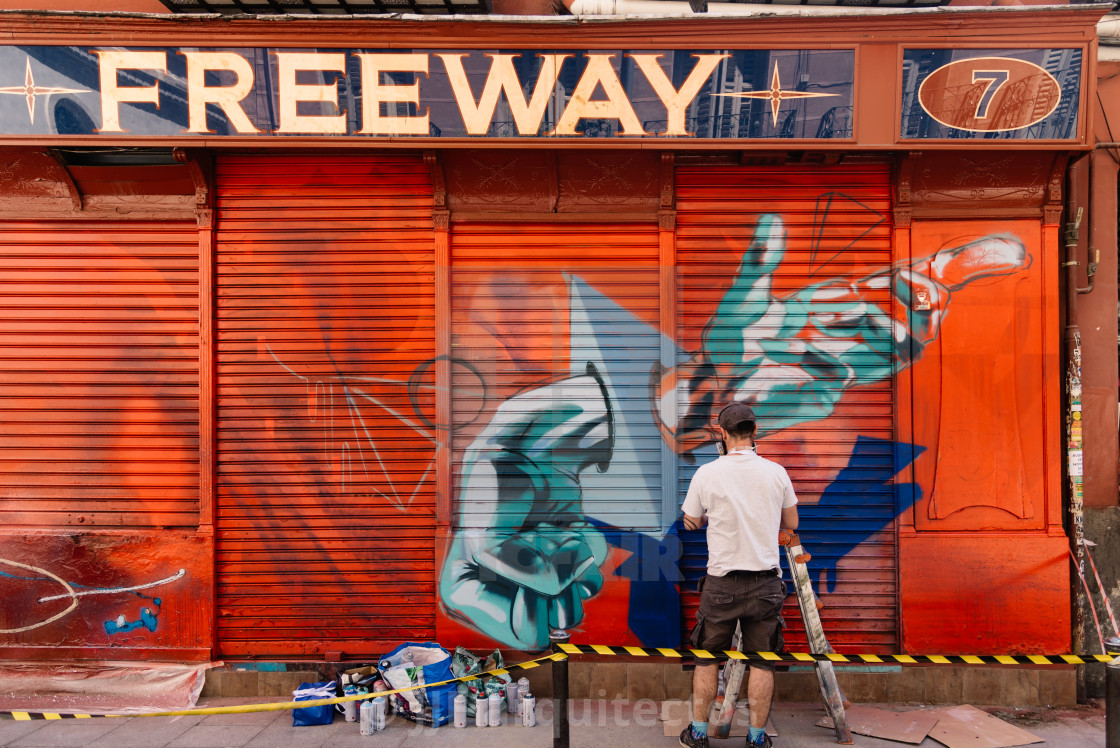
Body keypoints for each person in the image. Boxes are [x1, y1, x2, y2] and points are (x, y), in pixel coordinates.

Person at [679, 401, 799, 748]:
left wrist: (698, 519)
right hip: (765, 583)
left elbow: (692, 519)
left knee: (706, 659)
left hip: (721, 585)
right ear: (754, 431)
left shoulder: (707, 473)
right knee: (762, 664)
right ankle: (757, 739)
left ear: (722, 434)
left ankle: (699, 734)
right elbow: (791, 523)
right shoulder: (776, 472)